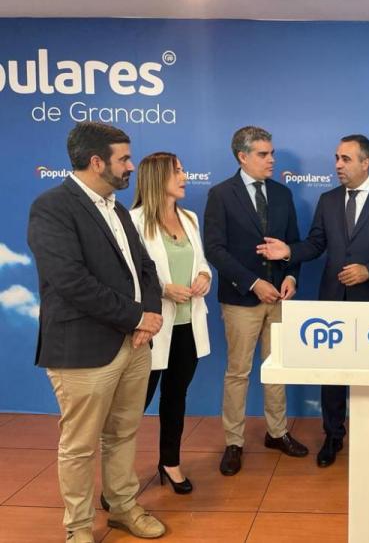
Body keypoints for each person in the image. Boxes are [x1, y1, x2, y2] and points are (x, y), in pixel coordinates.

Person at [27, 122, 166, 542]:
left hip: (134, 342)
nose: (130, 167)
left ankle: (122, 506)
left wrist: (151, 315)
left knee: (123, 433)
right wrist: (136, 318)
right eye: (124, 159)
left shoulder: (117, 207)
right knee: (80, 445)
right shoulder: (52, 207)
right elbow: (71, 281)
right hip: (83, 348)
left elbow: (145, 270)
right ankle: (79, 528)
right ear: (96, 162)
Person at [257, 134, 369, 468]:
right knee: (332, 375)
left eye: (345, 159)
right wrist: (289, 251)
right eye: (336, 158)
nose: (338, 165)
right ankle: (334, 435)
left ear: (365, 163)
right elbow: (315, 244)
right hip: (333, 303)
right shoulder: (328, 200)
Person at [204, 126, 308, 476]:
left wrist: (291, 276)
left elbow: (293, 243)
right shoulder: (221, 194)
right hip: (240, 299)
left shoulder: (282, 194)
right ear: (242, 156)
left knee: (275, 369)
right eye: (263, 154)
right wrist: (252, 283)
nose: (271, 159)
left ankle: (277, 433)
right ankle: (234, 442)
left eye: (272, 153)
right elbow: (214, 249)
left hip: (280, 297)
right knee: (238, 372)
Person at [130, 152, 212, 494]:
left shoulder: (190, 217)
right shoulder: (132, 221)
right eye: (178, 171)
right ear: (157, 178)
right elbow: (128, 276)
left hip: (187, 326)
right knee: (133, 407)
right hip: (151, 329)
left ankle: (170, 463)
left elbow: (201, 261)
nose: (184, 176)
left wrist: (205, 275)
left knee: (176, 396)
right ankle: (119, 481)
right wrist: (163, 289)